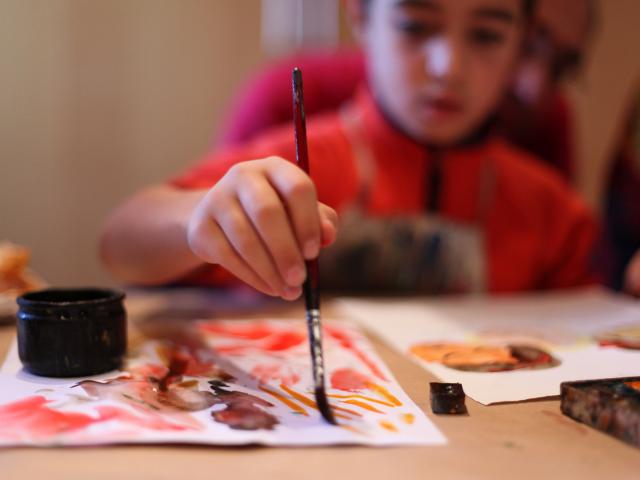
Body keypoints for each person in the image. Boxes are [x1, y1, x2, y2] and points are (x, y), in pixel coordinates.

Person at [100, 0, 598, 300]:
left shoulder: (554, 213)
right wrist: (197, 219)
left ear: (522, 45)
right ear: (361, 18)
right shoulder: (297, 161)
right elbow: (119, 245)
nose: (449, 66)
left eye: (487, 35)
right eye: (416, 25)